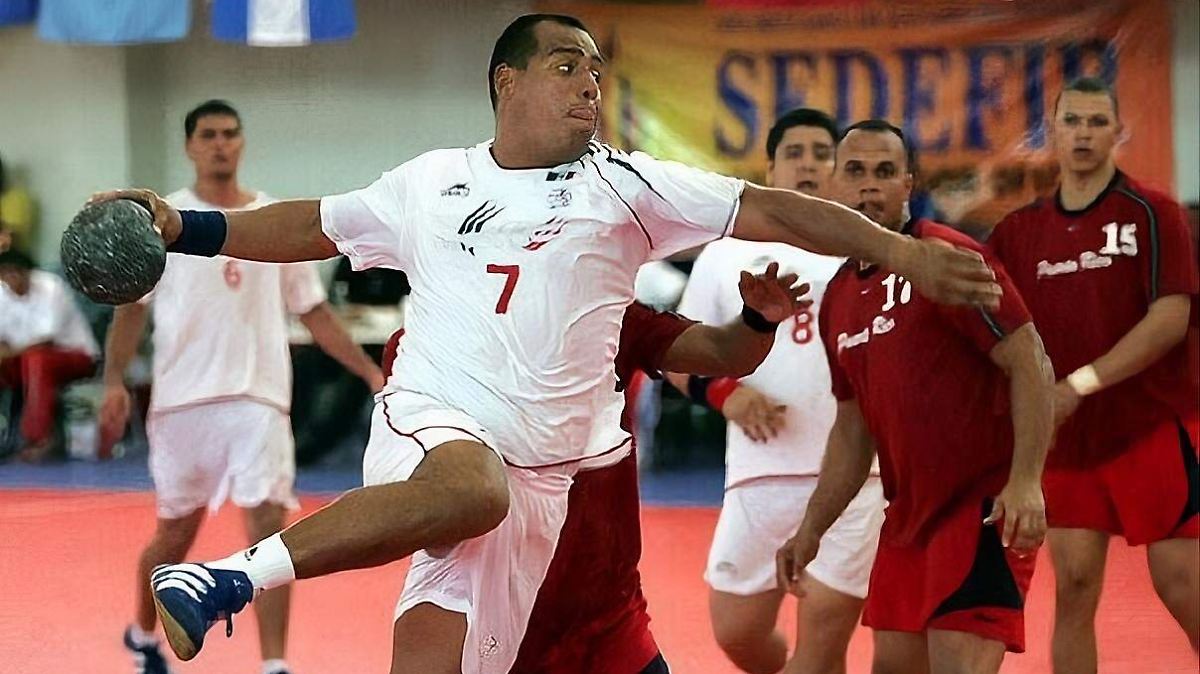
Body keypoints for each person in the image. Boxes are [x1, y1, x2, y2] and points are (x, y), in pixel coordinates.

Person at [94, 15, 1000, 674]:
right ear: (507, 84)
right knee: (469, 490)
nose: (590, 86)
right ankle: (225, 580)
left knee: (503, 523)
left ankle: (225, 579)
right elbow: (312, 226)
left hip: (559, 486)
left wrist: (899, 248)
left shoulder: (628, 189)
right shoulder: (431, 182)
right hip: (433, 420)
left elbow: (766, 209)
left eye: (598, 73)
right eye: (568, 67)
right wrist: (181, 226)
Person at [381, 264, 806, 674]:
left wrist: (756, 322)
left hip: (606, 617)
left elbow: (720, 351)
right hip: (482, 607)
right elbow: (428, 489)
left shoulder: (609, 321)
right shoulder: (418, 348)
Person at [100, 100, 383, 674]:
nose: (221, 144)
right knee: (174, 537)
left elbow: (316, 314)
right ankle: (143, 634)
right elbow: (131, 312)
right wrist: (113, 382)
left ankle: (274, 663)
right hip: (182, 402)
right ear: (190, 146)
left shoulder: (274, 219)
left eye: (231, 134)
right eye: (209, 135)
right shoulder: (166, 220)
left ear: (242, 142)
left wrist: (372, 373)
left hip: (259, 399)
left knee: (268, 530)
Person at [777, 120, 1054, 674]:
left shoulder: (945, 259)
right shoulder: (838, 298)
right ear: (833, 184)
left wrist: (1025, 481)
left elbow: (1032, 364)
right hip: (906, 523)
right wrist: (810, 529)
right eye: (855, 172)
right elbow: (853, 432)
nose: (869, 188)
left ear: (908, 184)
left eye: (884, 173)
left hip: (978, 511)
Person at [987, 77, 1200, 673]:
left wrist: (1078, 386)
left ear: (1117, 132)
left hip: (1148, 426)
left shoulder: (1153, 213)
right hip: (1066, 441)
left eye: (1096, 122)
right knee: (1075, 587)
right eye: (1072, 121)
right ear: (1051, 132)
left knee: (1182, 583)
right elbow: (994, 335)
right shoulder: (1017, 233)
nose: (1083, 133)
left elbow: (1171, 319)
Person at [667, 108, 885, 674]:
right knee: (736, 632)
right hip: (760, 472)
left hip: (854, 475)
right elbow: (679, 353)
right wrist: (725, 395)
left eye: (821, 154)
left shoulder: (867, 249)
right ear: (769, 167)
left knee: (822, 642)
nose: (809, 164)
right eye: (795, 153)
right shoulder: (726, 253)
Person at [0, 248, 98, 461]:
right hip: (22, 360)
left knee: (36, 359)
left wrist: (7, 353)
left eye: (15, 273)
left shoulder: (50, 287)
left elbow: (47, 339)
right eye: (5, 274)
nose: (10, 279)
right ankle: (5, 439)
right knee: (24, 362)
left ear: (28, 272)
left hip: (74, 355)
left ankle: (39, 438)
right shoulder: (2, 293)